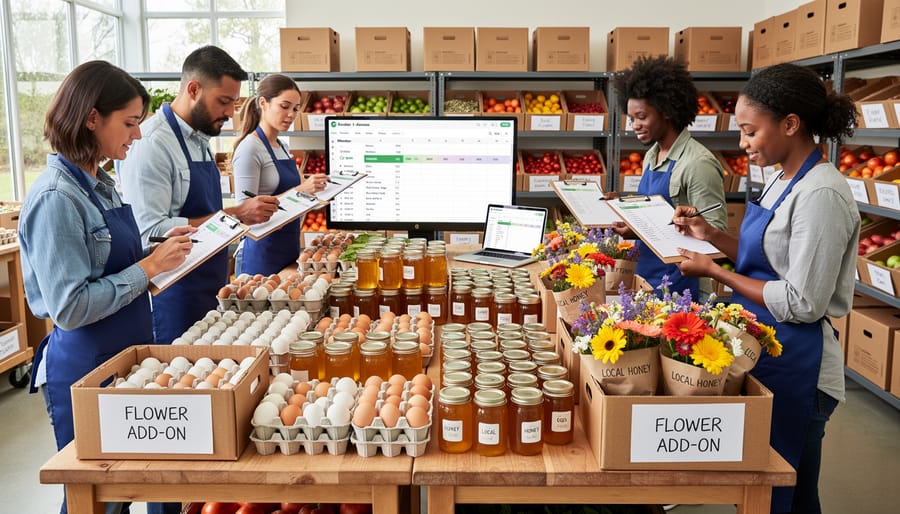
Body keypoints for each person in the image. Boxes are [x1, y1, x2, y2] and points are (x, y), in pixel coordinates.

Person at [673, 63, 858, 514]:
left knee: (788, 493)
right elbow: (771, 259)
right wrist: (712, 238)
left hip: (802, 364)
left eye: (750, 132)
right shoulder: (780, 179)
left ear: (790, 124)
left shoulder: (821, 195)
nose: (742, 144)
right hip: (767, 348)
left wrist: (715, 273)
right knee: (764, 487)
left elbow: (802, 300)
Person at [19, 61, 195, 514]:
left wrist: (159, 260)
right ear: (91, 117)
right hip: (87, 369)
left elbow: (116, 271)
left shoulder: (102, 184)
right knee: (99, 498)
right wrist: (147, 268)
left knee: (147, 481)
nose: (136, 136)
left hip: (127, 356)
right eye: (130, 123)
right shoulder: (58, 197)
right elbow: (70, 307)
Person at [119, 46, 278, 346]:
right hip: (174, 295)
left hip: (210, 283)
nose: (231, 113)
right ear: (193, 89)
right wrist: (237, 214)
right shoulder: (152, 144)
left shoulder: (199, 138)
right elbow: (149, 232)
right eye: (224, 102)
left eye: (234, 103)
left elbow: (203, 212)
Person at [610, 55, 727, 299]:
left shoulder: (698, 163)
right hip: (647, 280)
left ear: (666, 111)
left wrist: (649, 229)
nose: (634, 125)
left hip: (683, 289)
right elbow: (656, 213)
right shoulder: (651, 155)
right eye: (631, 118)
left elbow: (715, 236)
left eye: (641, 117)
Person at [232, 73, 327, 276]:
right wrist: (300, 191)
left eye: (295, 109)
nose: (291, 114)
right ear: (263, 103)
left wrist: (318, 195)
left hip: (287, 249)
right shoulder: (250, 148)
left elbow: (293, 198)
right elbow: (243, 214)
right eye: (284, 106)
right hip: (261, 254)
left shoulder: (282, 147)